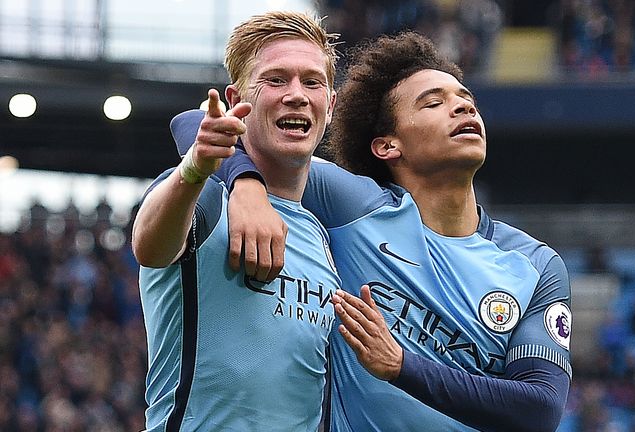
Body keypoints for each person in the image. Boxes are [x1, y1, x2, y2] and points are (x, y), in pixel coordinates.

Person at [173, 32, 571, 432]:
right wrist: (247, 186)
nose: (462, 107)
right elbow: (195, 124)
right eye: (434, 102)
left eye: (466, 100)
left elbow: (539, 408)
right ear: (387, 146)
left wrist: (400, 365)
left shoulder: (535, 265)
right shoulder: (351, 205)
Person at [131, 11, 341, 431]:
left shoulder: (322, 237)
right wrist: (194, 168)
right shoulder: (204, 194)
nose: (296, 94)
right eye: (276, 80)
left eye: (312, 81)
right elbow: (150, 247)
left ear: (330, 105)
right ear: (236, 98)